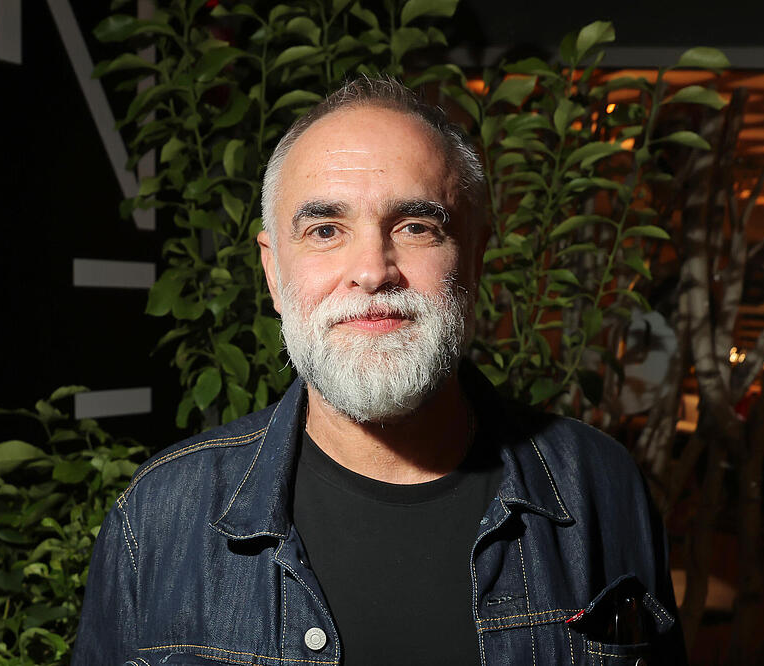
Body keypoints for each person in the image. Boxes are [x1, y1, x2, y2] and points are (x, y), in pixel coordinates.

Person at [73, 77, 685, 665]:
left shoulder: (601, 487)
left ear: (473, 256)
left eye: (415, 227)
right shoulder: (155, 520)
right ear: (273, 273)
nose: (373, 270)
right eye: (325, 230)